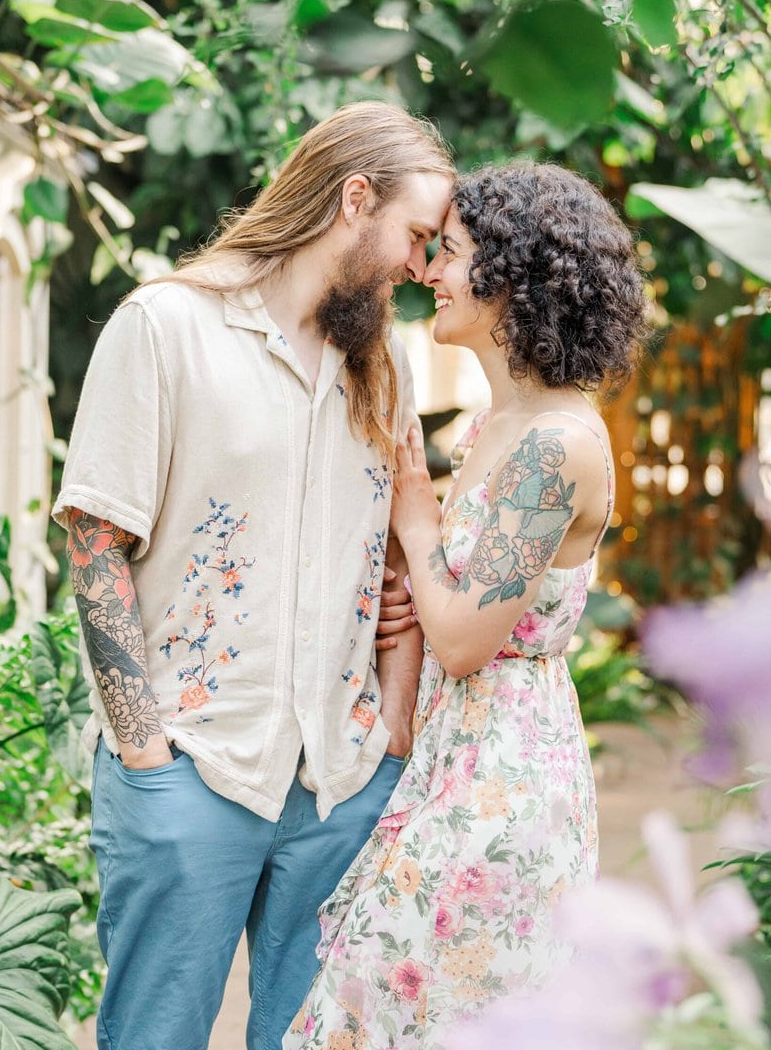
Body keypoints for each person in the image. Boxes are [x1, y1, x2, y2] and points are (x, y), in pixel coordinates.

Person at [52, 102, 454, 1050]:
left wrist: (392, 729)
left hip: (340, 786)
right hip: (191, 772)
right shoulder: (165, 327)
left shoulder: (383, 366)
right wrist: (147, 756)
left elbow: (396, 548)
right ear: (355, 199)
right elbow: (94, 543)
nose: (424, 267)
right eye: (418, 237)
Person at [283, 161, 648, 1048]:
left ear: (510, 280)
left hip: (502, 780)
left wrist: (414, 519)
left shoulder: (555, 445)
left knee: (400, 1001)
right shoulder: (502, 426)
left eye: (447, 255)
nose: (428, 273)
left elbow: (460, 640)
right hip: (462, 756)